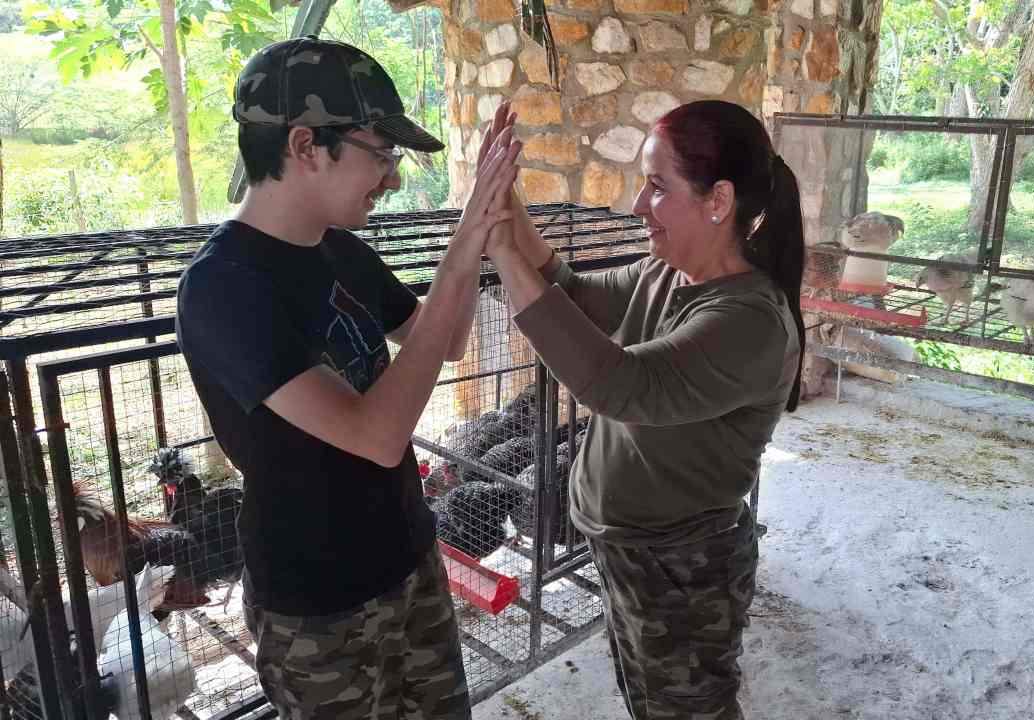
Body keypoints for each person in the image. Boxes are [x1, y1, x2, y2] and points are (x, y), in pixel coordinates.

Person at [175, 36, 518, 719]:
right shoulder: (223, 287)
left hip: (410, 555)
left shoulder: (341, 249)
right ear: (305, 147)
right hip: (316, 605)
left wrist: (480, 237)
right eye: (381, 154)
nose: (390, 177)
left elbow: (444, 341)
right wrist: (462, 243)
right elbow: (375, 434)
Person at [483, 99, 805, 719]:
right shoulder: (669, 275)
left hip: (681, 565)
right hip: (631, 550)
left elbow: (618, 386)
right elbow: (571, 294)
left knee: (687, 709)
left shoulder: (750, 323)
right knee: (648, 698)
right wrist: (508, 205)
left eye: (657, 187)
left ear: (718, 202)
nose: (636, 206)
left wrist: (501, 250)